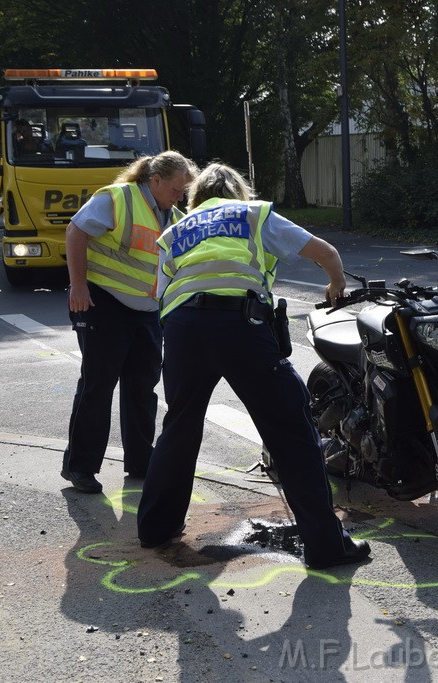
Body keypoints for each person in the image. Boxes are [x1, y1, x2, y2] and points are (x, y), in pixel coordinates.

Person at [136, 162, 371, 570]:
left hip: (183, 329)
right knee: (291, 430)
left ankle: (156, 527)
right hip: (239, 323)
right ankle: (326, 545)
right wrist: (335, 282)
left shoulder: (174, 231)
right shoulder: (251, 214)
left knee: (180, 425)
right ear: (238, 193)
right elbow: (325, 252)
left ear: (195, 199)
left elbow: (161, 291)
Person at [61, 151, 198, 493]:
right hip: (102, 302)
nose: (181, 195)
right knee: (98, 385)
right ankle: (80, 467)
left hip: (146, 311)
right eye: (177, 188)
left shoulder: (175, 216)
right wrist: (78, 286)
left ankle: (140, 461)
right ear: (155, 181)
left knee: (142, 387)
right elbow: (76, 232)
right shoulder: (118, 198)